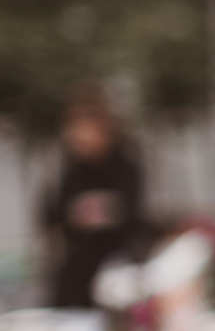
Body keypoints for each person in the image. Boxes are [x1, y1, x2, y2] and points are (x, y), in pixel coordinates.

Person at [40, 89, 147, 310]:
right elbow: (53, 216)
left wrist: (103, 212)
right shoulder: (72, 172)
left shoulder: (126, 167)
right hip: (77, 274)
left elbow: (134, 217)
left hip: (117, 266)